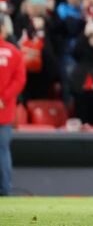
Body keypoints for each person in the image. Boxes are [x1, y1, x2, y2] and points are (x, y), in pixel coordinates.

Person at [0, 14, 25, 196]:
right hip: (4, 110)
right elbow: (19, 80)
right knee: (3, 151)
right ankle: (5, 189)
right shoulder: (14, 52)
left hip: (4, 110)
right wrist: (4, 98)